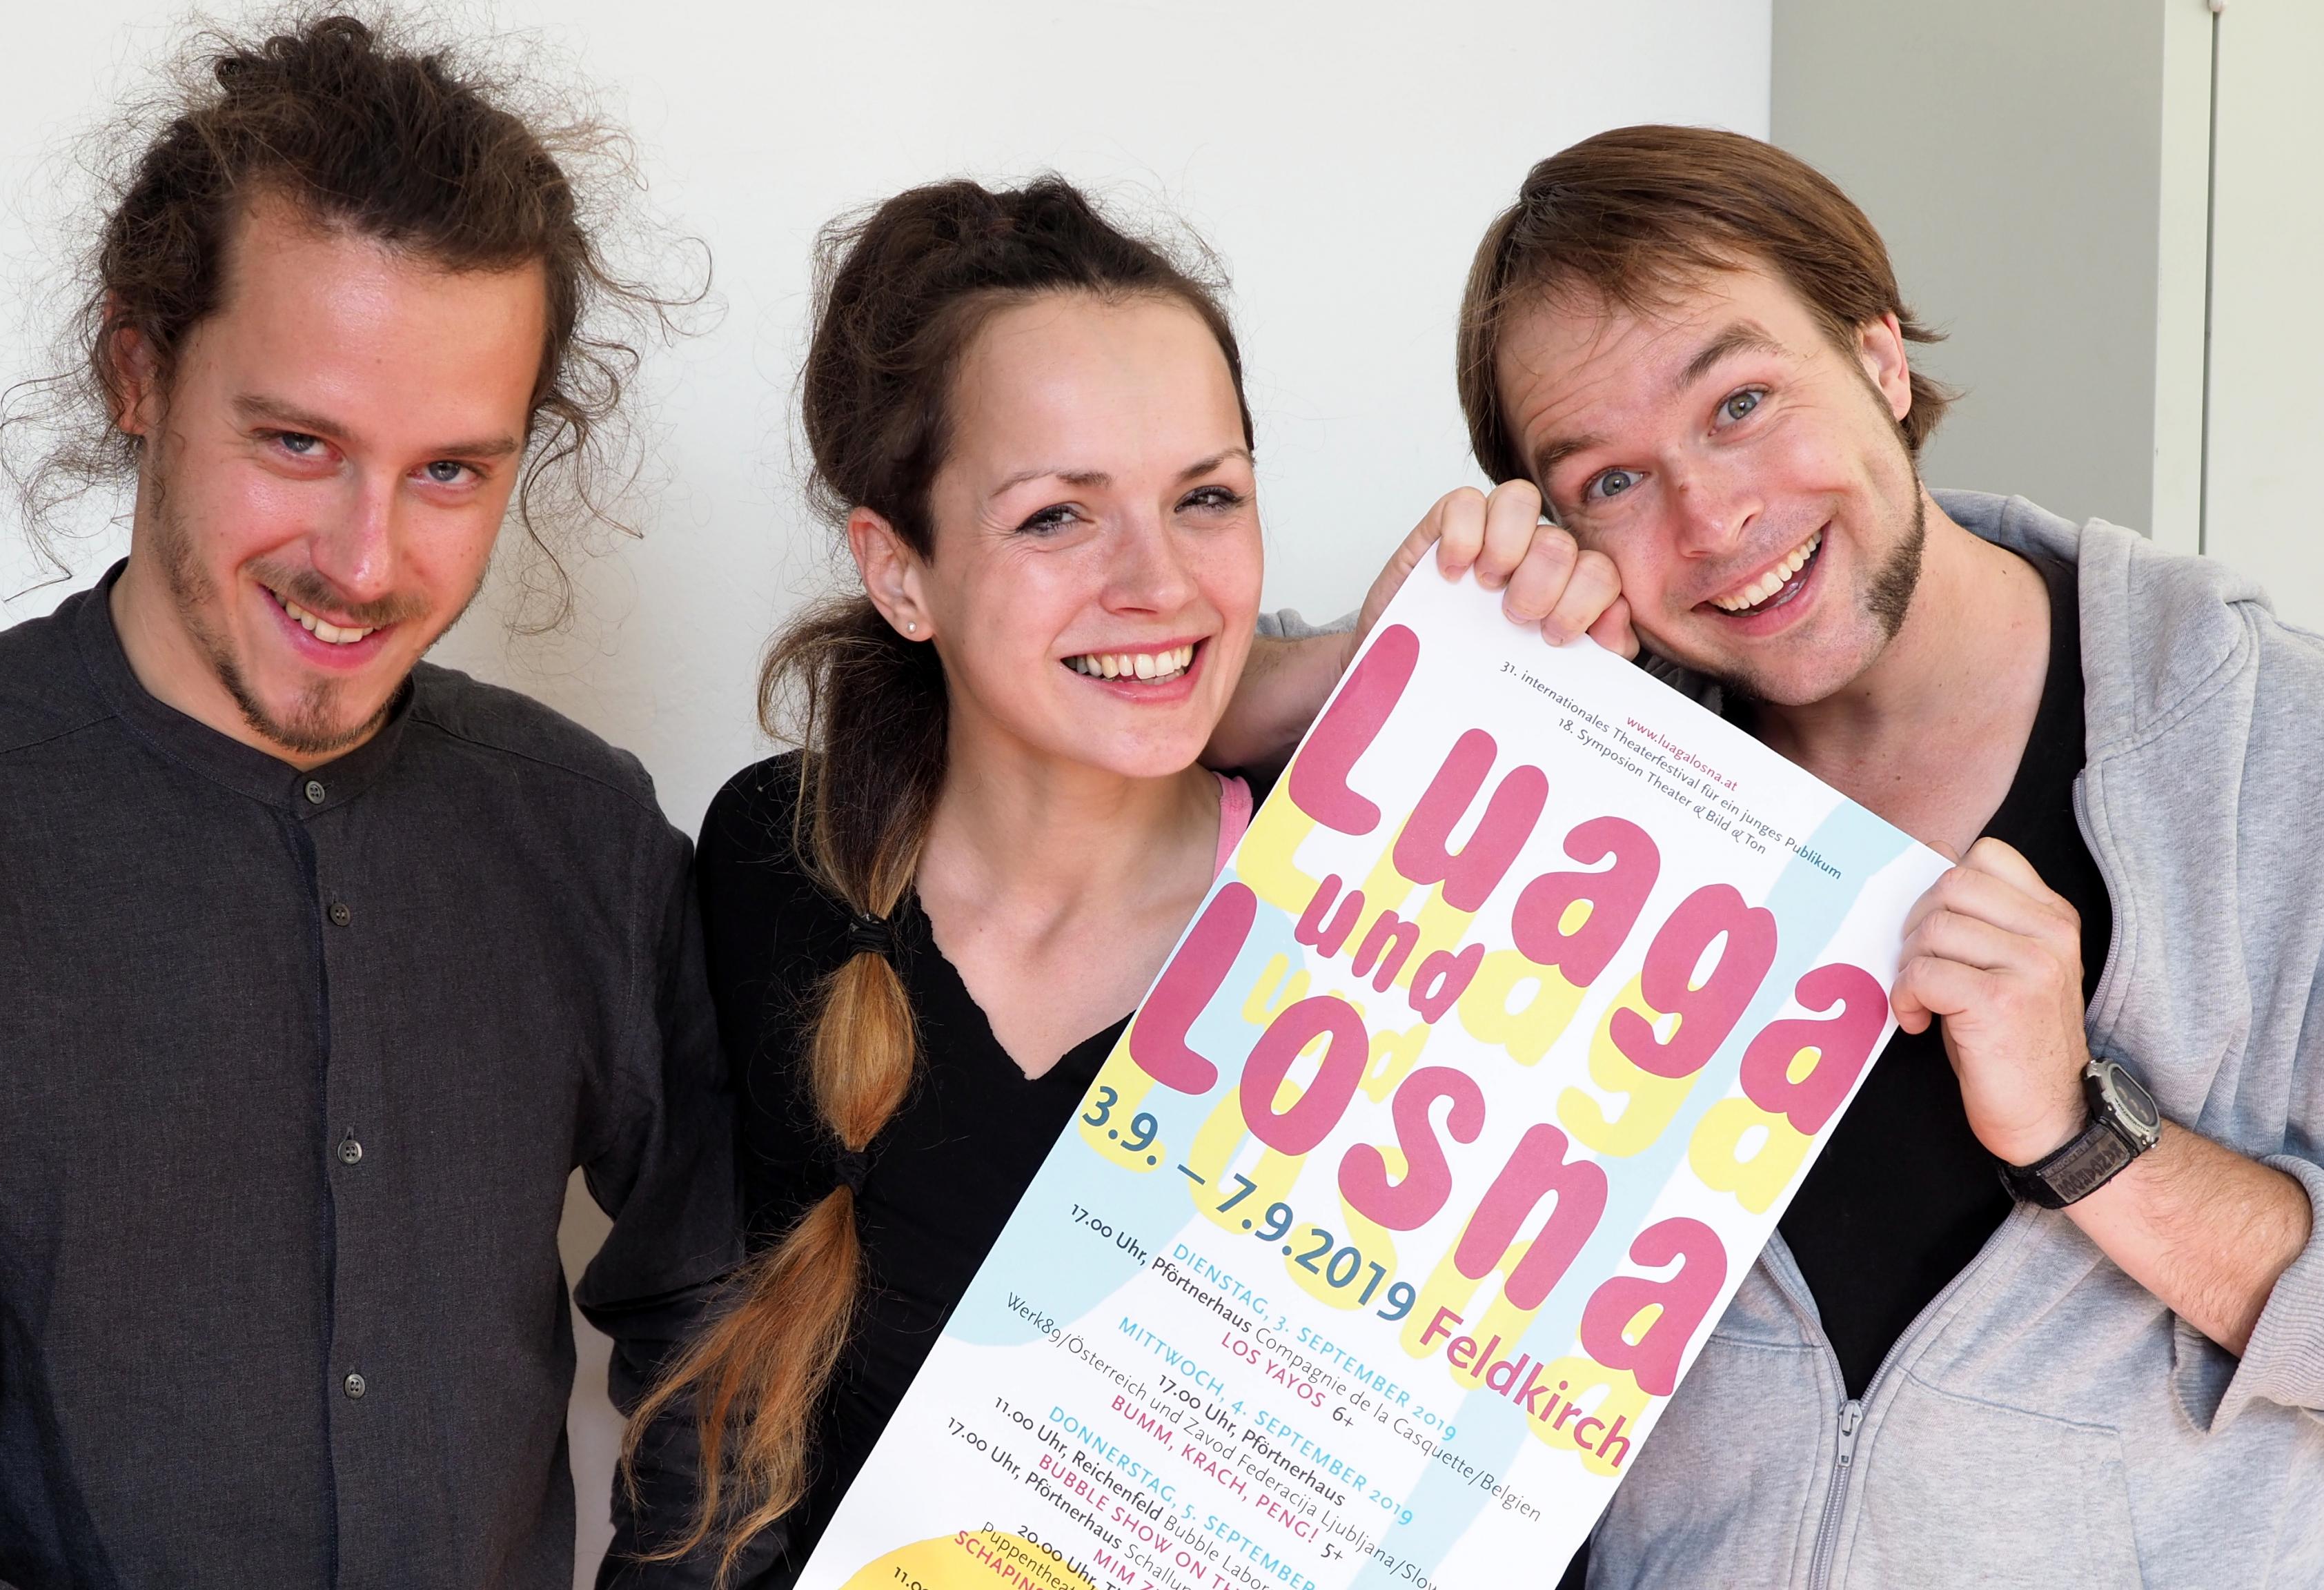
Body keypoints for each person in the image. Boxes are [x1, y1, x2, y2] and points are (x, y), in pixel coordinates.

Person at [1236, 124, 2324, 1585]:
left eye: (1740, 404)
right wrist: (1404, 652)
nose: (1713, 521)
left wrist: (2092, 1141)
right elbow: (1119, 702)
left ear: (1879, 358)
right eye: (1610, 482)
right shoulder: (1565, 753)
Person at [0, 17, 736, 1585]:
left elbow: (742, 1324)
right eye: (298, 443)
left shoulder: (585, 832)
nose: (367, 561)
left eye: (452, 471)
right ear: (139, 371)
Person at [602, 177, 1607, 1588]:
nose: (1158, 583)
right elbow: (709, 1444)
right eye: (1056, 518)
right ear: (900, 572)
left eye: (1206, 498)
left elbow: (1480, 1500)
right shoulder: (780, 865)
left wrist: (1430, 669)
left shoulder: (1392, 938)